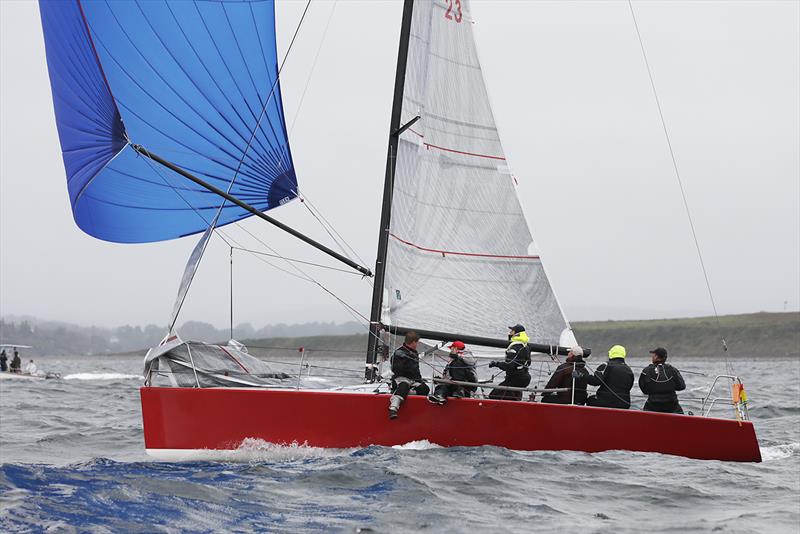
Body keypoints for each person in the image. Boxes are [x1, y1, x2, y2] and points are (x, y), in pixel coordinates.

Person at [388, 331, 430, 419]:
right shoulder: (399, 353)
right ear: (413, 342)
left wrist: (419, 380)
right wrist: (403, 360)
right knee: (404, 385)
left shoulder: (414, 353)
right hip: (400, 379)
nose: (417, 344)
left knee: (425, 388)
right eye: (417, 342)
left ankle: (407, 395)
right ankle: (393, 409)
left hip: (413, 381)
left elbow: (416, 371)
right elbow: (395, 369)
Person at [488, 324, 531, 401]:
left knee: (493, 395)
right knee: (513, 398)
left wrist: (495, 364)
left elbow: (509, 366)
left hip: (515, 379)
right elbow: (529, 362)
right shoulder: (526, 345)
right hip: (524, 377)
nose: (510, 333)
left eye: (512, 331)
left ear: (516, 334)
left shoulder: (514, 347)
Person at [428, 341, 478, 405]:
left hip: (466, 387)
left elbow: (469, 361)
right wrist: (441, 380)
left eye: (451, 348)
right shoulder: (455, 359)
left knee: (457, 363)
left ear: (455, 349)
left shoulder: (464, 358)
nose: (450, 350)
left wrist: (456, 355)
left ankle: (459, 390)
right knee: (441, 387)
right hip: (455, 385)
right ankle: (439, 397)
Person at [639, 347, 686, 414]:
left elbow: (644, 390)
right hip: (671, 405)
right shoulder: (673, 369)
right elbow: (682, 386)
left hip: (653, 405)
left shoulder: (646, 370)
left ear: (656, 357)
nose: (652, 356)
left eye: (653, 355)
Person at [586, 345, 634, 409]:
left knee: (589, 399)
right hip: (624, 403)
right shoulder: (628, 369)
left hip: (604, 402)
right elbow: (630, 386)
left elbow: (596, 381)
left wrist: (583, 376)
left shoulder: (606, 365)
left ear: (610, 353)